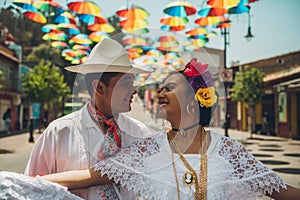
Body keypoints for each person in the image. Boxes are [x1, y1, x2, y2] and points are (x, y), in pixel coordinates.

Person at [37, 58, 300, 199]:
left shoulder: (229, 150)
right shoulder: (149, 147)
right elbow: (91, 176)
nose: (158, 92)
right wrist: (26, 182)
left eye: (169, 88)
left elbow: (280, 190)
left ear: (192, 101)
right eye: (160, 87)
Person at [23, 38, 153, 199]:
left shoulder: (139, 133)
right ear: (99, 87)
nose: (134, 91)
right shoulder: (59, 132)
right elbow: (30, 188)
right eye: (126, 83)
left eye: (132, 83)